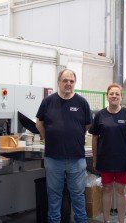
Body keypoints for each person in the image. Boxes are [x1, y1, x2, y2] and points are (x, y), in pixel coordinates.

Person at [36, 69, 92, 223]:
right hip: (53, 158)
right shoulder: (48, 102)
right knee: (54, 196)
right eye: (65, 80)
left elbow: (87, 125)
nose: (68, 84)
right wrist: (49, 137)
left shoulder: (82, 103)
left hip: (76, 158)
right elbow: (39, 123)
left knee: (78, 196)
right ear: (58, 82)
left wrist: (71, 135)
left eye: (72, 81)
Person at [89, 83, 126, 223]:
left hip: (124, 161)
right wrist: (95, 159)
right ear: (107, 96)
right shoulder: (100, 115)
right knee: (107, 189)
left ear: (121, 97)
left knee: (121, 191)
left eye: (117, 94)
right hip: (105, 160)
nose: (114, 96)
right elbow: (94, 138)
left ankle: (121, 221)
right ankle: (106, 220)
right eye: (111, 93)